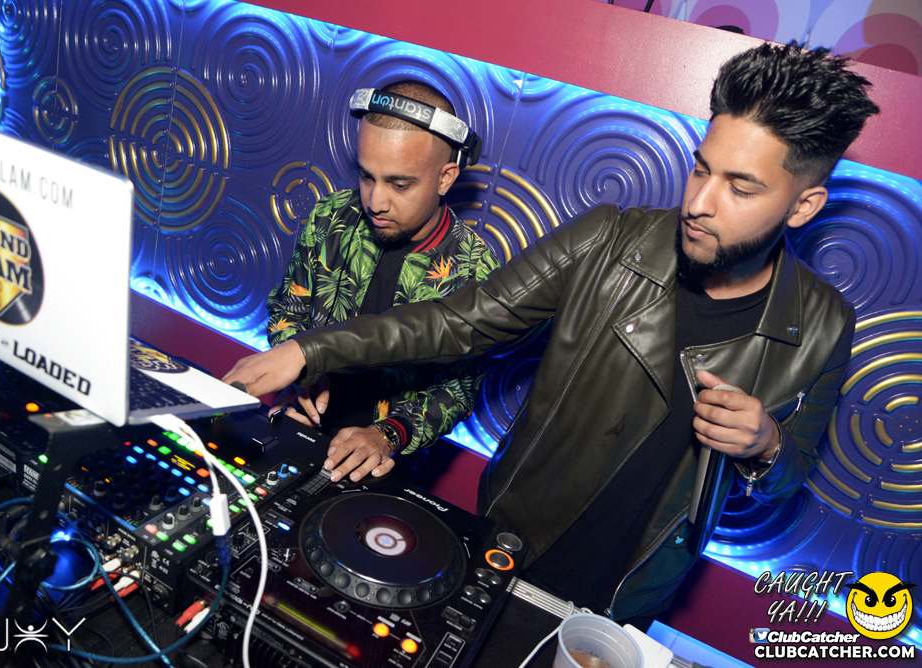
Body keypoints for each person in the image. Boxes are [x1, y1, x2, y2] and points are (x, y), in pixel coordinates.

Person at [225, 43, 878, 625]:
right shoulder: (608, 240)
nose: (700, 202)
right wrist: (308, 348)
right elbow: (460, 322)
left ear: (803, 205)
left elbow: (789, 480)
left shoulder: (822, 326)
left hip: (634, 590)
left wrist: (765, 446)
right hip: (510, 545)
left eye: (741, 187)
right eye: (701, 169)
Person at [264, 80, 500, 484]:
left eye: (400, 184)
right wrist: (302, 371)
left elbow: (460, 390)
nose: (375, 202)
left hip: (383, 470)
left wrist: (387, 435)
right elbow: (288, 307)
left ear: (445, 178)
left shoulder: (473, 271)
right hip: (301, 429)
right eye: (366, 176)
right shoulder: (330, 217)